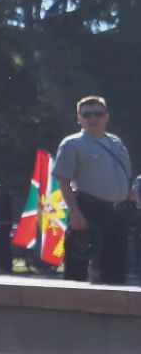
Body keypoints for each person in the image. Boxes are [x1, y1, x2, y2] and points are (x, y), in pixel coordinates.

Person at [55, 95, 137, 286]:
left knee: (116, 269)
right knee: (77, 269)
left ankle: (113, 314)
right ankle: (69, 314)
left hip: (117, 212)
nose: (93, 118)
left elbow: (123, 173)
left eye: (98, 114)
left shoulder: (116, 142)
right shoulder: (72, 144)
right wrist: (75, 214)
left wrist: (130, 193)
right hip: (87, 209)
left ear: (106, 117)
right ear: (79, 119)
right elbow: (63, 180)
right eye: (87, 114)